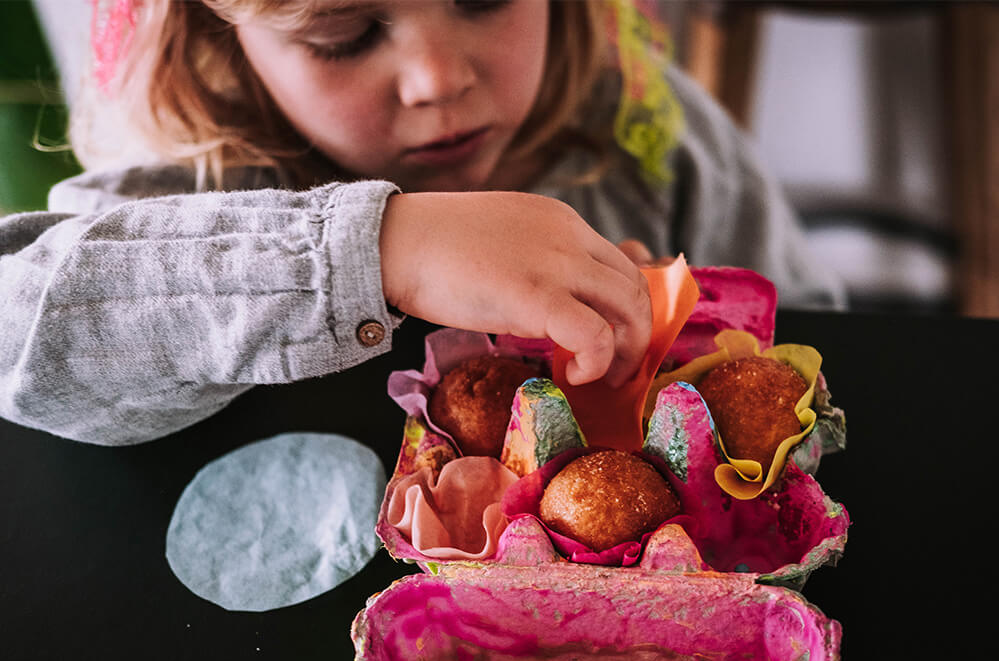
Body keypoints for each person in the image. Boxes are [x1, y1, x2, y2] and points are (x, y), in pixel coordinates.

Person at [0, 0, 845, 446]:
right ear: (218, 41)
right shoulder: (209, 187)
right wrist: (381, 250)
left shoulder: (655, 140)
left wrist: (682, 330)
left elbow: (818, 336)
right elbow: (16, 320)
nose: (438, 79)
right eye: (345, 34)